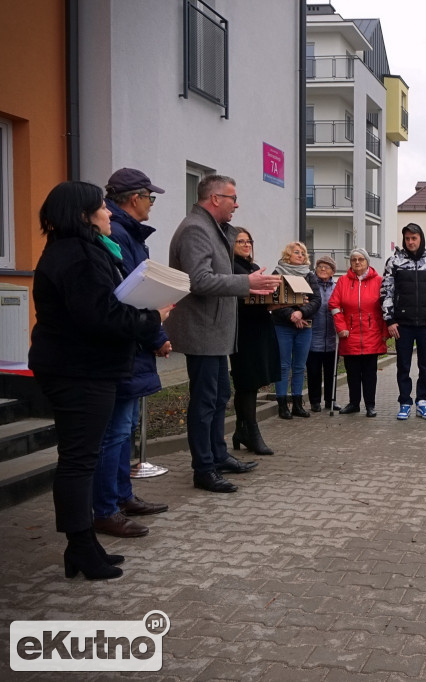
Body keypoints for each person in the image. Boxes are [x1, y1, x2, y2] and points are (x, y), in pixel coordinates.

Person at [29, 181, 171, 579]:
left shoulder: (81, 249)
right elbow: (102, 317)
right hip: (79, 370)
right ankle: (80, 547)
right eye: (102, 207)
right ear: (83, 215)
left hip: (83, 368)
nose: (109, 212)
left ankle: (85, 544)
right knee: (78, 461)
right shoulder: (77, 255)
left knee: (82, 458)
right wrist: (153, 317)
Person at [165, 175, 279, 493]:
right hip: (202, 330)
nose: (236, 204)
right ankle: (204, 469)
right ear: (215, 198)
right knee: (205, 401)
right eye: (232, 198)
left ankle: (218, 456)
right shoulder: (196, 229)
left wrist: (247, 282)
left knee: (219, 397)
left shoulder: (213, 229)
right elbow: (199, 280)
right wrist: (246, 283)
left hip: (215, 331)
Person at [92, 169, 170, 540]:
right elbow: (132, 296)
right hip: (126, 345)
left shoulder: (126, 232)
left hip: (133, 343)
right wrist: (157, 334)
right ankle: (106, 508)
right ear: (134, 197)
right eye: (150, 197)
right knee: (115, 431)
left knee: (123, 429)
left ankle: (121, 496)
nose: (152, 204)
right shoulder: (118, 234)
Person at [381, 223, 426, 420]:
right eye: (407, 238)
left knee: (425, 366)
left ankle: (423, 402)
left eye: (414, 238)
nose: (410, 242)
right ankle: (405, 402)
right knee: (403, 366)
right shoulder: (394, 262)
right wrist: (390, 320)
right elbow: (386, 292)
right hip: (402, 325)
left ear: (421, 238)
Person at [229, 228, 279, 455]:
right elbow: (237, 300)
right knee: (246, 382)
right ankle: (250, 431)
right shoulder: (231, 268)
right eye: (240, 241)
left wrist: (280, 303)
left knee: (252, 382)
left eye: (248, 241)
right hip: (243, 330)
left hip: (260, 327)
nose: (246, 244)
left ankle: (241, 430)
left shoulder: (253, 267)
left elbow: (262, 300)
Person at [329, 248, 388, 417]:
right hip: (350, 334)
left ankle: (370, 405)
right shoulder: (343, 281)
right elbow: (334, 305)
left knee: (370, 373)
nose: (357, 262)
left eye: (361, 259)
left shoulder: (379, 281)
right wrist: (340, 327)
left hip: (372, 333)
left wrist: (385, 331)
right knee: (352, 373)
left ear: (367, 261)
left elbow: (386, 307)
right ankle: (354, 403)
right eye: (353, 259)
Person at [271, 242, 322, 419]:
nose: (300, 255)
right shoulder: (278, 273)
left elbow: (316, 300)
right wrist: (292, 315)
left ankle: (298, 404)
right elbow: (274, 300)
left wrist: (301, 313)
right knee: (283, 366)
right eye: (296, 252)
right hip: (282, 326)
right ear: (288, 255)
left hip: (304, 327)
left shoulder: (309, 275)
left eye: (302, 253)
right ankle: (282, 405)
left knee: (300, 366)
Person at [305, 256, 338, 412]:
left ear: (333, 272)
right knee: (313, 372)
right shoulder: (310, 286)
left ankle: (330, 401)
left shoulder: (337, 287)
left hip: (332, 338)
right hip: (313, 337)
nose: (323, 269)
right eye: (320, 266)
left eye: (327, 267)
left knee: (331, 372)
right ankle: (315, 401)